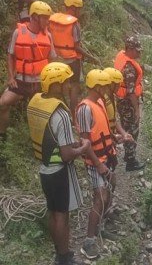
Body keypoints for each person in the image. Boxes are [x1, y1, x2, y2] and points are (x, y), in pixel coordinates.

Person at [27, 62, 91, 265]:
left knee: (52, 211)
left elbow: (51, 138)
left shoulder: (36, 102)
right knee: (62, 213)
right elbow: (65, 155)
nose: (68, 86)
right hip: (58, 171)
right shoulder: (61, 114)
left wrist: (71, 143)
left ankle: (58, 250)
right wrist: (82, 148)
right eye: (65, 82)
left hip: (44, 168)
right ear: (55, 85)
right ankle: (64, 258)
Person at [76, 69, 117, 260]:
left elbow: (102, 131)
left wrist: (117, 138)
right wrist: (98, 165)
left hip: (106, 156)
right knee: (99, 197)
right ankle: (89, 241)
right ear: (98, 86)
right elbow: (85, 142)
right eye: (106, 85)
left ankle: (103, 226)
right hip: (95, 162)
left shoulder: (99, 102)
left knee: (111, 187)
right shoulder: (85, 108)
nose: (109, 88)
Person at [0, 1, 56, 140]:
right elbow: (11, 55)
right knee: (3, 103)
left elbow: (52, 61)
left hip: (40, 83)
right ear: (35, 17)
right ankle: (2, 134)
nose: (47, 21)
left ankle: (44, 138)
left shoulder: (48, 36)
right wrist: (11, 77)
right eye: (45, 17)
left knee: (47, 111)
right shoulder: (18, 33)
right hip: (21, 81)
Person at [49, 0, 100, 114]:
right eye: (79, 9)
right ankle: (73, 114)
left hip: (57, 59)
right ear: (73, 7)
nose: (79, 12)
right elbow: (76, 47)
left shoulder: (53, 19)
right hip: (72, 61)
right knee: (74, 87)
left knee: (58, 88)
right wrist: (92, 58)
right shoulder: (74, 24)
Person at [114, 37, 145, 171]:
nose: (139, 53)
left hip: (121, 101)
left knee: (126, 126)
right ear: (130, 50)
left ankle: (128, 155)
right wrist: (137, 109)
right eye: (137, 51)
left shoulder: (121, 55)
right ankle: (131, 161)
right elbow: (131, 93)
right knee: (132, 130)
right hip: (128, 103)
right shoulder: (130, 69)